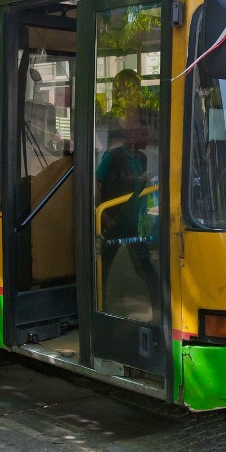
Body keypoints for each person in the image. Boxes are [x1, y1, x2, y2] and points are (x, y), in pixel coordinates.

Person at [96, 117, 159, 319]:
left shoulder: (142, 158)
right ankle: (100, 305)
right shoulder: (112, 156)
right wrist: (103, 213)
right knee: (104, 264)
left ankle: (159, 305)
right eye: (142, 134)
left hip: (134, 222)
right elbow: (96, 182)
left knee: (144, 263)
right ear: (130, 135)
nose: (147, 138)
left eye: (147, 133)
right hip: (113, 221)